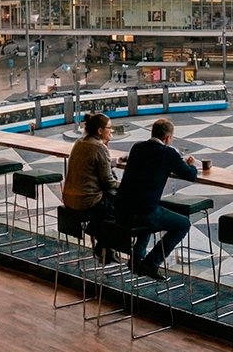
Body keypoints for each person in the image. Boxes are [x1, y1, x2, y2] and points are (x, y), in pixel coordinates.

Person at [115, 118, 197, 281]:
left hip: (120, 211)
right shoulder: (168, 153)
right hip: (143, 213)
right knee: (183, 224)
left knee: (149, 213)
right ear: (167, 138)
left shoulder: (137, 147)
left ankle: (136, 259)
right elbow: (191, 175)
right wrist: (192, 164)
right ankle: (151, 264)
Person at [62, 113, 119, 263]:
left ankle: (103, 244)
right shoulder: (99, 147)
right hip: (87, 203)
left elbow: (91, 163)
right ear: (100, 131)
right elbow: (109, 182)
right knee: (121, 207)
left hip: (68, 199)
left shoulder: (79, 142)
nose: (111, 131)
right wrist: (127, 186)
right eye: (109, 128)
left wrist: (110, 161)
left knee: (109, 206)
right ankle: (103, 243)